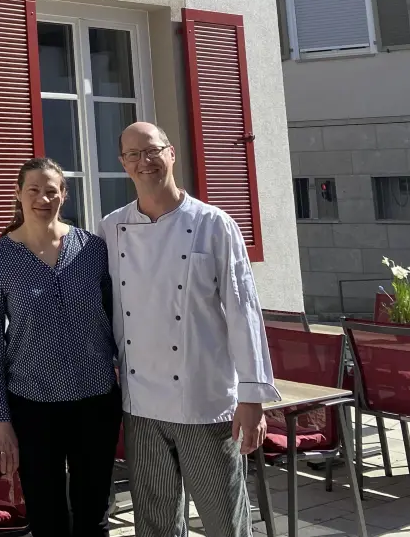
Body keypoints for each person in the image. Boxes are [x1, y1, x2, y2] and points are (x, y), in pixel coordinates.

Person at [100, 122, 278, 537]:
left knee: (224, 523)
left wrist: (252, 396)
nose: (144, 162)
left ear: (171, 153)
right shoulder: (110, 228)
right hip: (139, 405)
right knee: (156, 525)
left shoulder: (214, 224)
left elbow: (243, 311)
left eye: (152, 151)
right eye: (133, 155)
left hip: (205, 403)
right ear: (123, 164)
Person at [0, 157, 121, 537]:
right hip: (33, 407)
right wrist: (0, 421)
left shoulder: (92, 250)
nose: (43, 199)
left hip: (96, 401)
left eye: (52, 191)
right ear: (19, 195)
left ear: (64, 195)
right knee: (47, 518)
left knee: (93, 515)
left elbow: (119, 324)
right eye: (34, 191)